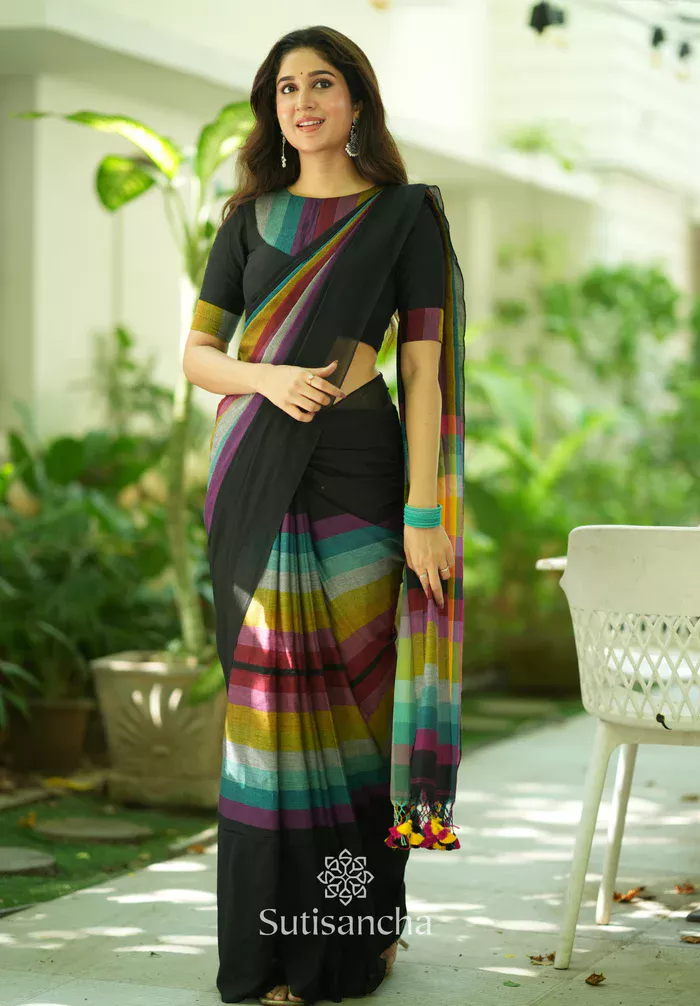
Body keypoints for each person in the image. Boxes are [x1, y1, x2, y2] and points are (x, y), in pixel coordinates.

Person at [182, 24, 465, 1006]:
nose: (302, 102)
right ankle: (271, 952)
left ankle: (353, 936)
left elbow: (423, 372)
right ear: (273, 108)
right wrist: (268, 378)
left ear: (356, 103)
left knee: (359, 704)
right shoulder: (246, 221)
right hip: (256, 475)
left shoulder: (404, 216)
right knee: (268, 715)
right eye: (285, 88)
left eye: (321, 84)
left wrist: (424, 510)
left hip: (360, 469)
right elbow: (198, 355)